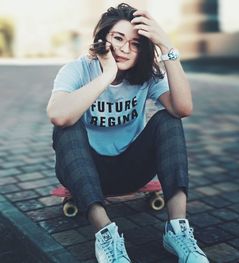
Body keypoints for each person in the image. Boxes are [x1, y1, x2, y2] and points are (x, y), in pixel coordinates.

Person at [47, 3, 209, 263]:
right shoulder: (78, 69)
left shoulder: (146, 75)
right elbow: (58, 115)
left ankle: (178, 231)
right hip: (84, 172)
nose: (124, 49)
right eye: (118, 38)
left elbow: (183, 108)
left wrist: (167, 48)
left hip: (131, 170)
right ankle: (106, 235)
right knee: (68, 125)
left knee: (169, 120)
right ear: (103, 38)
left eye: (135, 44)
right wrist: (107, 73)